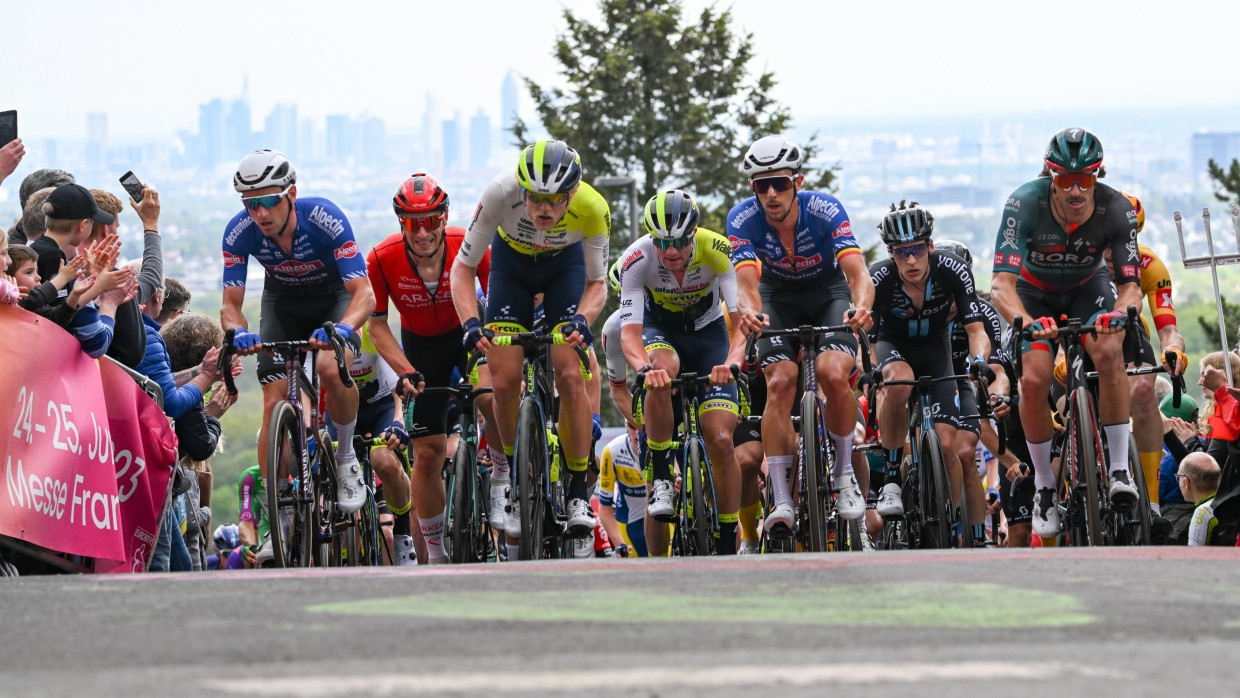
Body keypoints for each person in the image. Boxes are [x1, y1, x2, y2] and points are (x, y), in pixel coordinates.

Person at [449, 140, 610, 541]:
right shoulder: (499, 194)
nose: (544, 209)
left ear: (572, 192)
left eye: (555, 199)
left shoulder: (593, 209)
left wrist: (581, 320)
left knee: (570, 375)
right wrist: (471, 322)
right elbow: (463, 269)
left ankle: (575, 490)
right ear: (522, 189)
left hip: (564, 270)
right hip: (512, 269)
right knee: (501, 380)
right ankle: (508, 470)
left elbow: (597, 283)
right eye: (536, 197)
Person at [990, 128, 1141, 539]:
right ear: (1049, 176)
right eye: (1065, 180)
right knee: (1035, 377)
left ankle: (1118, 469)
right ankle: (1043, 483)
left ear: (1099, 176)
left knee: (1109, 351)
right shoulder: (1023, 203)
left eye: (1086, 179)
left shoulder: (1116, 208)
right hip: (1031, 292)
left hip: (1086, 288)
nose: (1076, 190)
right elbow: (1001, 285)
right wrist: (1025, 320)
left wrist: (1123, 313)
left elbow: (1130, 286)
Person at [727, 135, 873, 534]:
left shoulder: (824, 210)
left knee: (832, 372)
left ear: (798, 182)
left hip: (827, 291)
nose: (771, 194)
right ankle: (783, 498)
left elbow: (858, 273)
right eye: (761, 186)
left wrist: (861, 306)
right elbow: (745, 284)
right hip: (777, 297)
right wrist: (751, 311)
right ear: (752, 190)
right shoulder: (741, 219)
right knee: (780, 381)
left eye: (780, 183)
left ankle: (843, 474)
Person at [221, 149, 375, 515]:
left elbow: (364, 294)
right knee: (273, 402)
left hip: (334, 298)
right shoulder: (239, 232)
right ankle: (277, 506)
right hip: (283, 302)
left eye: (269, 202)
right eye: (250, 204)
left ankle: (346, 455)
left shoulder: (324, 218)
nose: (260, 214)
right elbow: (231, 305)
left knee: (328, 368)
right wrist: (236, 332)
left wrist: (342, 328)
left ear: (291, 194)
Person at [366, 173, 493, 564]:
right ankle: (436, 553)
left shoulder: (467, 245)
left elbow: (498, 298)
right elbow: (376, 324)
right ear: (400, 223)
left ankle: (503, 472)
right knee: (426, 454)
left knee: (490, 394)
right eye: (411, 223)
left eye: (430, 221)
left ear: (444, 217)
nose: (422, 232)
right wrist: (404, 369)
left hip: (467, 332)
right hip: (422, 347)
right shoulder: (382, 258)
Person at [618, 190, 748, 555]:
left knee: (721, 439)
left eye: (678, 242)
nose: (671, 251)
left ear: (693, 235)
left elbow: (740, 324)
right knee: (661, 370)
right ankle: (661, 476)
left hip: (709, 338)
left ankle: (725, 537)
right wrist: (644, 369)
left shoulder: (717, 249)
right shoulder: (636, 259)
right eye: (662, 242)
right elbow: (629, 334)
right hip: (662, 332)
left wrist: (733, 363)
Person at [868, 204, 992, 545]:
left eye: (917, 250)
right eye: (902, 253)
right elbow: (869, 336)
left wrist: (979, 359)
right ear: (891, 254)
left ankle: (951, 520)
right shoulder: (879, 277)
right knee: (898, 381)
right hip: (895, 348)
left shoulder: (952, 269)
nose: (911, 261)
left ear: (930, 248)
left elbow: (975, 328)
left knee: (949, 445)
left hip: (936, 353)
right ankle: (893, 477)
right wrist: (871, 371)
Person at [1106, 192, 1188, 515]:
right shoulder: (1081, 260)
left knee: (1143, 390)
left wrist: (1175, 351)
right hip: (1085, 325)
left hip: (1128, 329)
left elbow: (1169, 330)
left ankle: (1151, 503)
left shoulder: (1148, 264)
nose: (1116, 250)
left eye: (1128, 239)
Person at [1180, 452, 1222, 546]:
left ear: (1186, 482)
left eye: (1178, 477)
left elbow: (1194, 556)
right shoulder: (1230, 502)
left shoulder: (1204, 511)